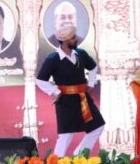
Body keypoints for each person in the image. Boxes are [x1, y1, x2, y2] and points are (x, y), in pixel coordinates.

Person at [35, 24, 105, 156]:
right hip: (65, 102)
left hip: (83, 98)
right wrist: (55, 91)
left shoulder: (81, 54)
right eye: (73, 38)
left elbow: (93, 67)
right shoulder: (53, 59)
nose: (76, 39)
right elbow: (40, 80)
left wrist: (91, 84)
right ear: (65, 41)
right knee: (66, 135)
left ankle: (79, 155)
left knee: (97, 126)